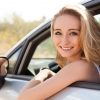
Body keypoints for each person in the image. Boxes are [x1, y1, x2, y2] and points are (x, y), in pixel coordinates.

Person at [18, 3, 100, 100]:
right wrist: (52, 74)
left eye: (73, 33)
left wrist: (44, 72)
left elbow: (23, 98)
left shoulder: (81, 67)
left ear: (85, 35)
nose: (64, 41)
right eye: (58, 33)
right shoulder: (87, 66)